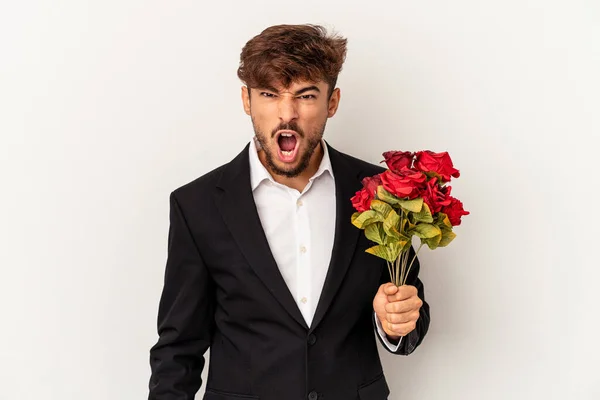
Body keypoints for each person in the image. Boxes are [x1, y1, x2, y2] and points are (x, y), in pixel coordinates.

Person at [148, 24, 430, 400]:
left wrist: (395, 323)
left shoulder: (382, 192)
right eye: (269, 94)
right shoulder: (197, 205)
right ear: (247, 101)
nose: (287, 113)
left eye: (306, 95)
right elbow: (177, 351)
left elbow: (412, 314)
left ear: (332, 102)